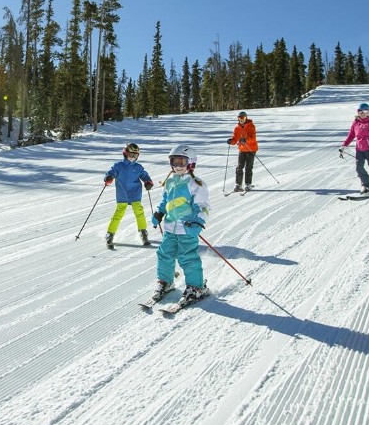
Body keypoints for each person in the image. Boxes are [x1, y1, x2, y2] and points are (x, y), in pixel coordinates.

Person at [149, 143, 212, 304]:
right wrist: (159, 213)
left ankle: (196, 287)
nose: (177, 167)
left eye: (181, 163)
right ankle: (165, 282)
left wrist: (197, 222)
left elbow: (202, 207)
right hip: (170, 228)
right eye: (174, 162)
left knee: (187, 258)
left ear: (191, 163)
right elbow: (165, 201)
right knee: (164, 254)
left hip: (187, 229)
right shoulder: (169, 182)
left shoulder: (196, 184)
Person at [104, 142, 155, 248]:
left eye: (135, 156)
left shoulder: (138, 167)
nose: (133, 158)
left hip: (135, 193)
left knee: (139, 213)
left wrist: (148, 182)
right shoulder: (118, 166)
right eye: (131, 155)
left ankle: (143, 232)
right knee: (118, 214)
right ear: (125, 154)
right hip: (122, 193)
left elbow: (144, 176)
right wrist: (109, 177)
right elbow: (111, 172)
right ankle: (110, 233)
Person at [226, 111, 258, 192]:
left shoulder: (251, 126)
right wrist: (231, 141)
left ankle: (248, 184)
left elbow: (253, 138)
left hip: (251, 149)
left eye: (243, 118)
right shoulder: (237, 128)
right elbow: (235, 138)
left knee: (248, 167)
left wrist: (245, 140)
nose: (241, 120)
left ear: (246, 118)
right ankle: (238, 184)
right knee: (239, 167)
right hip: (242, 149)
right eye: (239, 118)